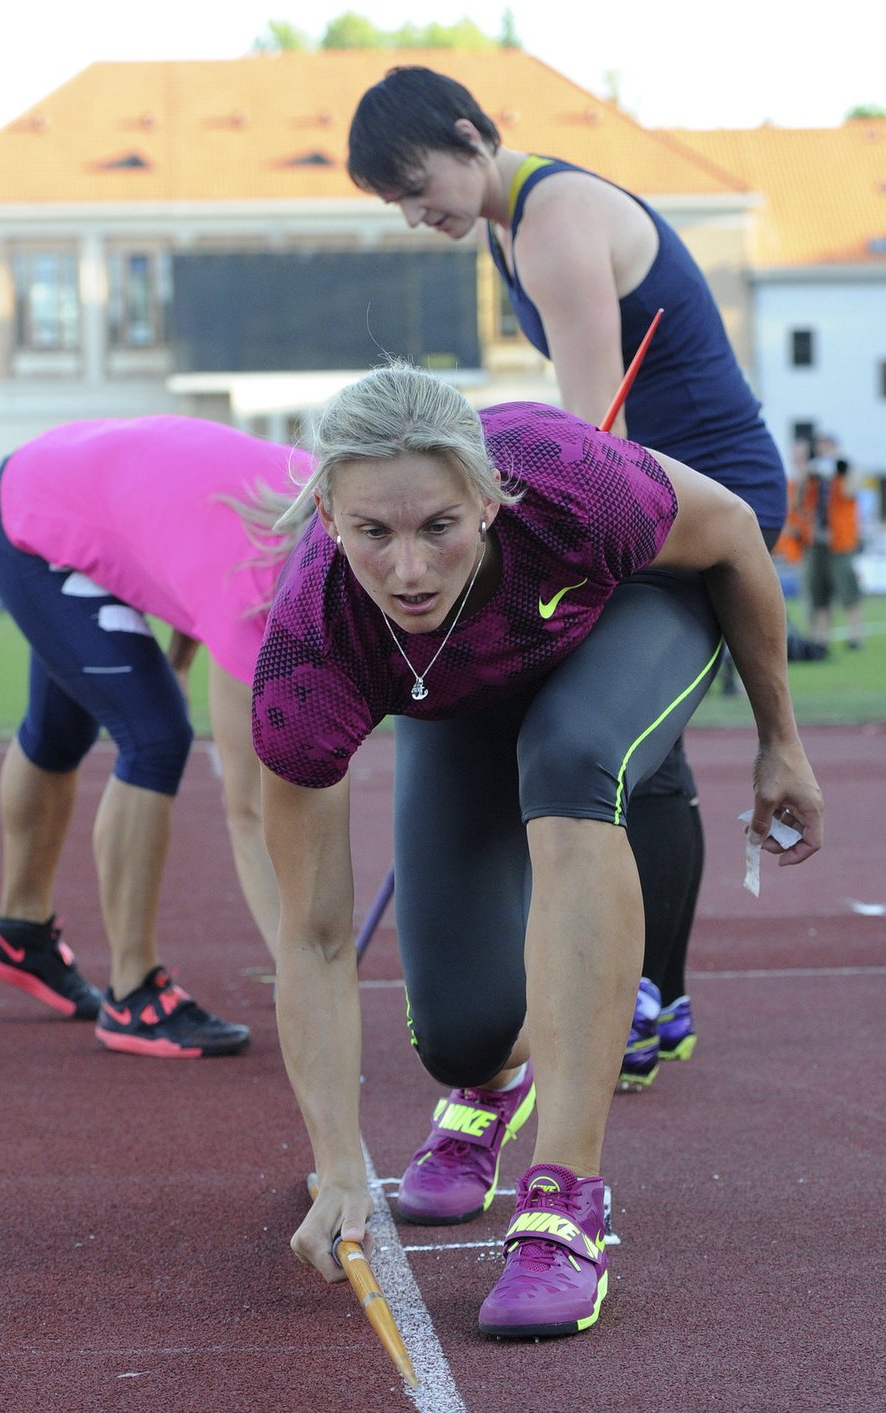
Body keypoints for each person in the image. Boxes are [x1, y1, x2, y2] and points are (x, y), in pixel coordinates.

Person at [254, 362, 822, 1339]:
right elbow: (311, 941)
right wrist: (340, 1162)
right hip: (458, 689)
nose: (408, 570)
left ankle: (563, 1205)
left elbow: (729, 531)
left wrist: (780, 741)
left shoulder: (567, 480)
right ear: (328, 519)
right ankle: (493, 1083)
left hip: (633, 612)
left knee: (570, 762)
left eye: (437, 525)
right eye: (372, 534)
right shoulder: (310, 654)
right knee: (463, 1036)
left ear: (485, 499)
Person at [347, 65, 792, 1090]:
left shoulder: (553, 222)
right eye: (398, 205)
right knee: (647, 746)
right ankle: (655, 996)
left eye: (419, 187)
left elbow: (600, 439)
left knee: (611, 734)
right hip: (652, 491)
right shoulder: (510, 224)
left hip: (707, 507)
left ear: (471, 136)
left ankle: (645, 993)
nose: (417, 216)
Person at [0, 415, 312, 1057]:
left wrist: (179, 664)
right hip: (34, 518)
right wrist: (306, 968)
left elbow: (190, 548)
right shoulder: (256, 590)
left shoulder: (310, 500)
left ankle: (20, 935)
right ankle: (133, 995)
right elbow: (248, 811)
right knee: (157, 734)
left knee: (60, 728)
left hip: (66, 477)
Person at [791, 433, 863, 652]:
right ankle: (820, 638)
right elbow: (797, 503)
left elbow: (850, 491)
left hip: (840, 543)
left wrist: (842, 468)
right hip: (816, 542)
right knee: (818, 592)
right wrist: (808, 471)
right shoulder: (813, 478)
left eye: (828, 448)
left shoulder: (845, 472)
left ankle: (855, 637)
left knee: (848, 590)